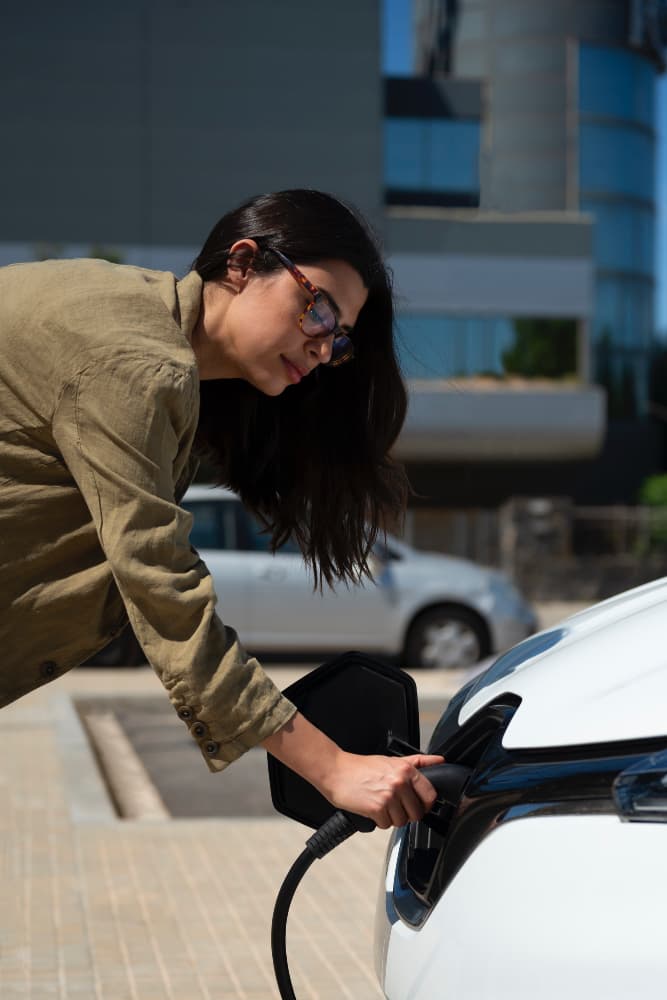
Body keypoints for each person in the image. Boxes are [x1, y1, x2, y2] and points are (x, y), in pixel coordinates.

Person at [0, 188, 442, 829]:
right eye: (318, 308)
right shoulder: (135, 363)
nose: (324, 347)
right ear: (241, 263)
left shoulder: (141, 325)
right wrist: (332, 768)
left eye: (339, 337)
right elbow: (162, 587)